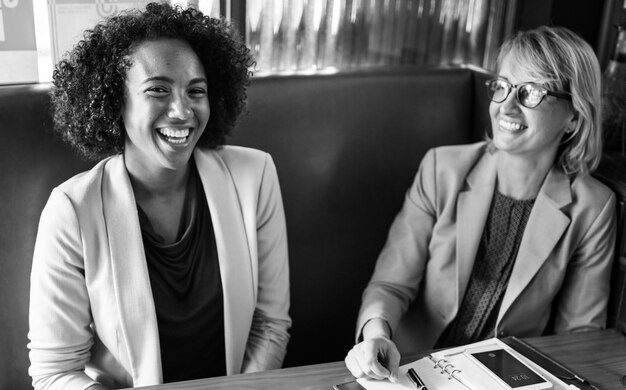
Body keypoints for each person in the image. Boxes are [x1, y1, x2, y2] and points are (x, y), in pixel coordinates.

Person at [27, 3, 291, 390]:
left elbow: (270, 325)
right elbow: (55, 371)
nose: (182, 110)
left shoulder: (256, 176)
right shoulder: (71, 210)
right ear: (115, 101)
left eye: (195, 91)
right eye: (158, 90)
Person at [344, 25, 617, 382]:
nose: (507, 105)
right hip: (410, 370)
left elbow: (580, 338)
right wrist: (376, 335)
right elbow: (391, 285)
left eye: (531, 91)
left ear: (574, 118)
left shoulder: (593, 208)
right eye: (502, 86)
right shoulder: (442, 168)